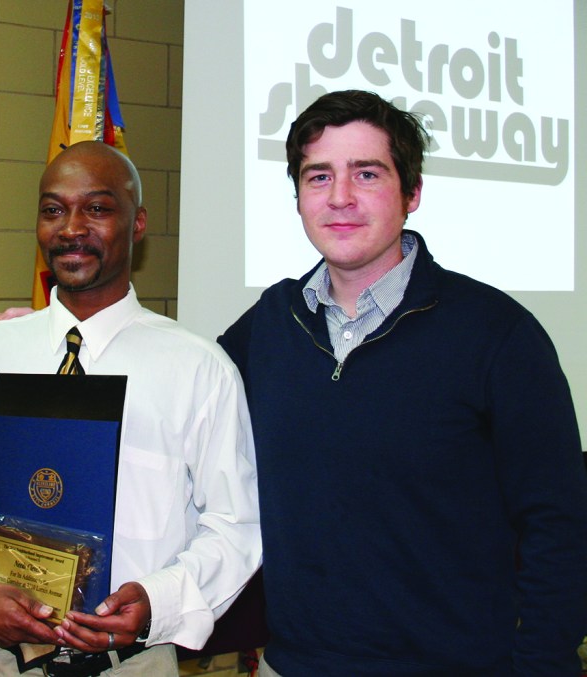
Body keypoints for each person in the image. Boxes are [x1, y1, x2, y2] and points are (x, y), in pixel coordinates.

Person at [217, 90, 587, 676]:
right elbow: (175, 397)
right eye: (318, 177)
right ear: (297, 197)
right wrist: (48, 340)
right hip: (292, 667)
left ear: (411, 193)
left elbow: (558, 527)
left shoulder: (498, 335)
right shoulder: (269, 324)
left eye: (366, 173)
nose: (339, 198)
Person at [0, 141, 262, 676]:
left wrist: (159, 601)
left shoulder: (199, 369)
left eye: (97, 208)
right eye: (52, 210)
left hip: (130, 665)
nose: (70, 227)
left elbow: (235, 524)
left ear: (137, 224)